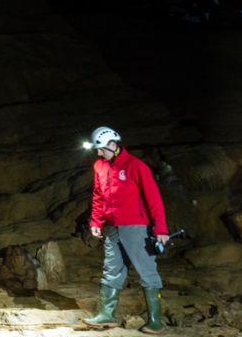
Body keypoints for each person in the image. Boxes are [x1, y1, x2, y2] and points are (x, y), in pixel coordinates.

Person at [79, 126, 169, 332]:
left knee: (146, 271)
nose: (98, 153)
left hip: (136, 227)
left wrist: (161, 229)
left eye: (101, 148)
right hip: (113, 227)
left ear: (113, 144)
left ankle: (155, 320)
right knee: (111, 270)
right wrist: (96, 222)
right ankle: (106, 315)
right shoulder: (99, 166)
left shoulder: (136, 166)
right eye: (97, 149)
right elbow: (98, 195)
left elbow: (153, 199)